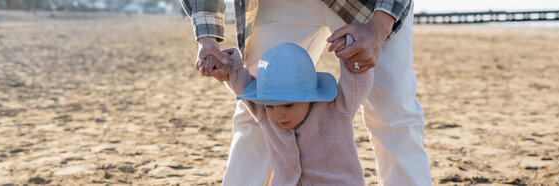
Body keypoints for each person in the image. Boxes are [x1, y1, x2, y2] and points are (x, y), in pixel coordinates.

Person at [182, 0, 432, 185]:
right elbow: (244, 86)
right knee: (258, 111)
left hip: (366, 4)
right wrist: (206, 37)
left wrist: (380, 26)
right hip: (278, 5)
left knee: (393, 115)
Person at [200, 41, 372, 185]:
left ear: (309, 97)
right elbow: (239, 79)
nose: (277, 115)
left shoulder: (336, 109)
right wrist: (226, 65)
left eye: (288, 105)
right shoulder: (265, 114)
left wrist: (351, 52)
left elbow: (358, 78)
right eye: (270, 106)